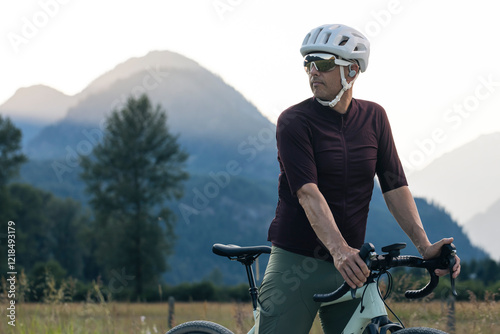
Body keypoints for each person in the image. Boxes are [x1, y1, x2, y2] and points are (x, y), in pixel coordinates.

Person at [255, 24, 461, 334]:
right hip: (296, 265)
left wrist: (425, 246)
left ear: (351, 71)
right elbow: (308, 193)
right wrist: (339, 251)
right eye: (308, 63)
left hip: (352, 265)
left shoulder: (374, 118)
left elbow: (394, 186)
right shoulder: (294, 121)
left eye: (323, 63)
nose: (313, 71)